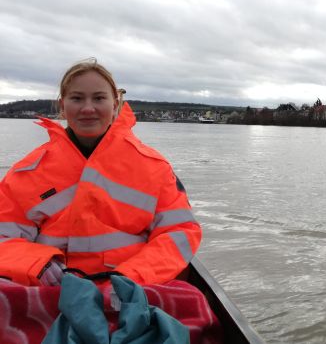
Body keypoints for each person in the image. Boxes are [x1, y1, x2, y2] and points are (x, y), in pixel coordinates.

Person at [0, 59, 201, 286]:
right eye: (77, 98)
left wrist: (131, 278)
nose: (88, 108)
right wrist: (38, 265)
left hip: (132, 292)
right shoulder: (27, 172)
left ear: (115, 105)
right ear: (62, 105)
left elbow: (180, 231)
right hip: (50, 292)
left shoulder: (153, 167)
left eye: (99, 98)